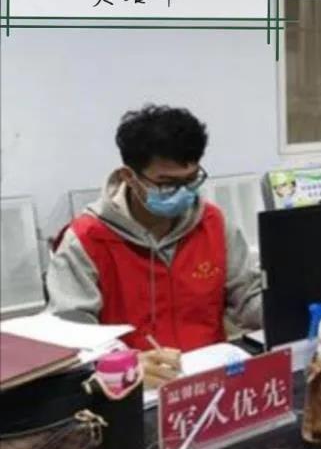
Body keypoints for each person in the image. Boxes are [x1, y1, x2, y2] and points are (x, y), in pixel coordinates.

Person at [47, 105, 262, 388]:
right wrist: (123, 365)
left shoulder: (214, 225)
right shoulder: (86, 239)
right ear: (129, 177)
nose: (182, 193)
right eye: (166, 184)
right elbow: (72, 338)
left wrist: (294, 302)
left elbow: (248, 301)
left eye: (190, 180)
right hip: (130, 388)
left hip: (209, 379)